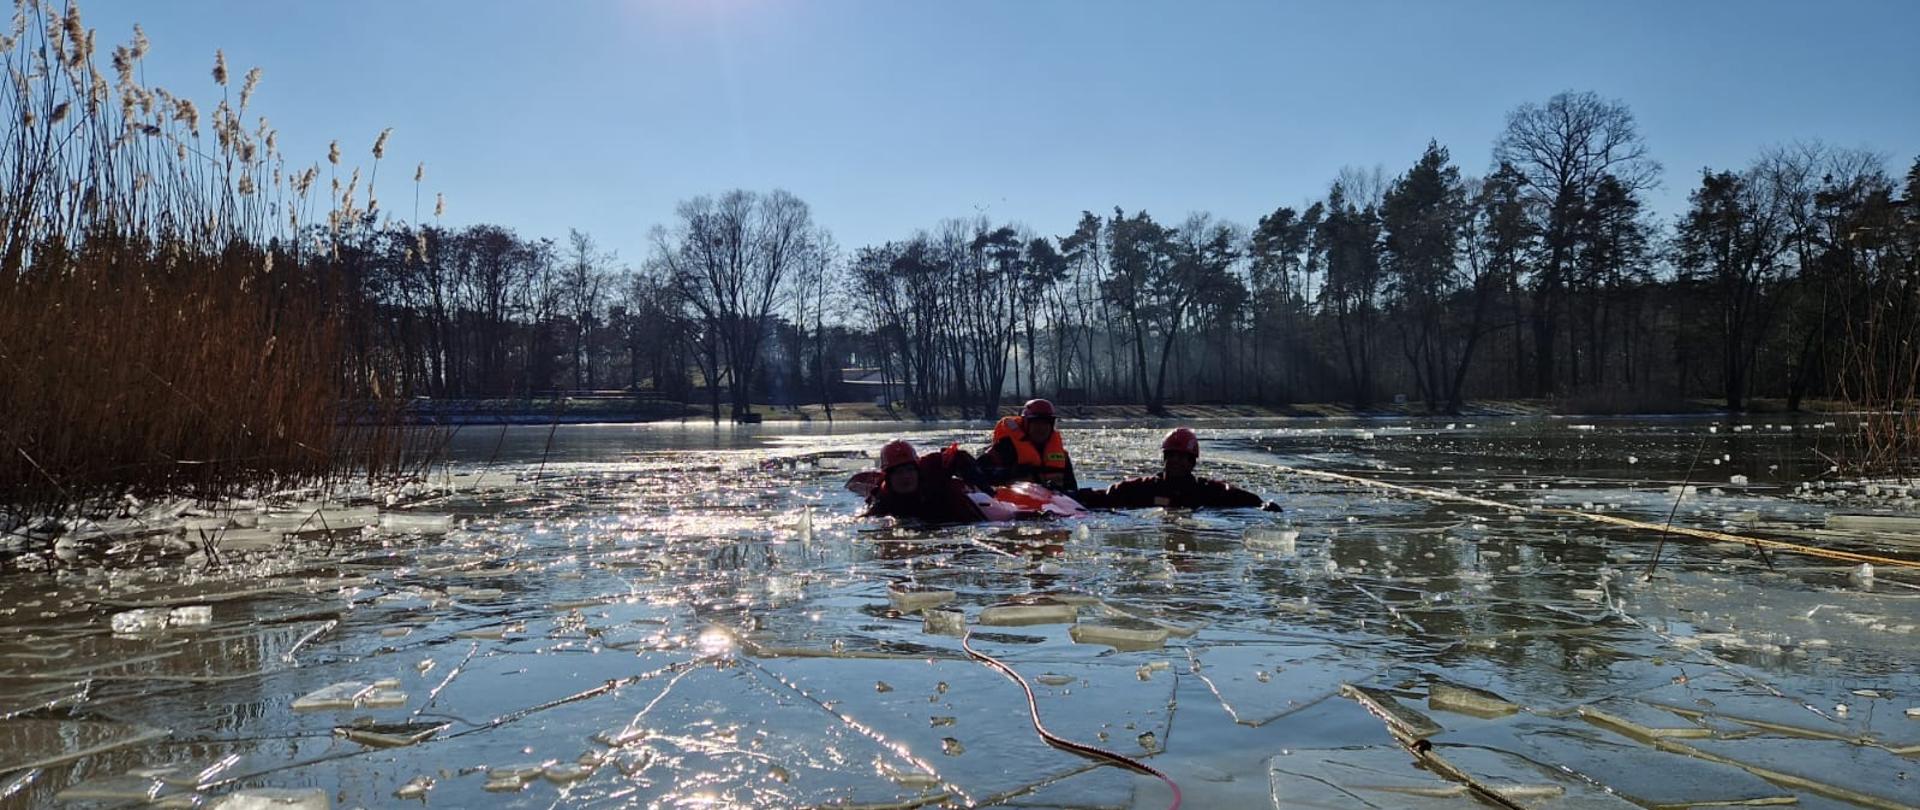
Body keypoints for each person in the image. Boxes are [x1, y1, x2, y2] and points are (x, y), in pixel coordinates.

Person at [1074, 428, 1282, 511]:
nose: (1175, 462)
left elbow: (1236, 496)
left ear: (1192, 462)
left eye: (1182, 458)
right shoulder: (1146, 487)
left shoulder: (1205, 489)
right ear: (1164, 458)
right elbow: (1108, 494)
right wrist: (1074, 497)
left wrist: (1262, 505)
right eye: (1171, 456)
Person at [863, 439, 989, 523]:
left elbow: (958, 456)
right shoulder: (883, 497)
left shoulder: (931, 468)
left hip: (950, 512)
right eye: (899, 472)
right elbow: (866, 517)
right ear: (888, 477)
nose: (906, 477)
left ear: (917, 470)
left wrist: (986, 489)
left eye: (909, 470)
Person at [979, 398, 1078, 491]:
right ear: (1026, 424)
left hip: (1054, 505)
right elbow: (979, 474)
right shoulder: (1005, 448)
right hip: (1015, 505)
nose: (1042, 429)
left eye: (1046, 424)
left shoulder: (1062, 456)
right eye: (1037, 424)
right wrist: (1010, 472)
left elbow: (1071, 488)